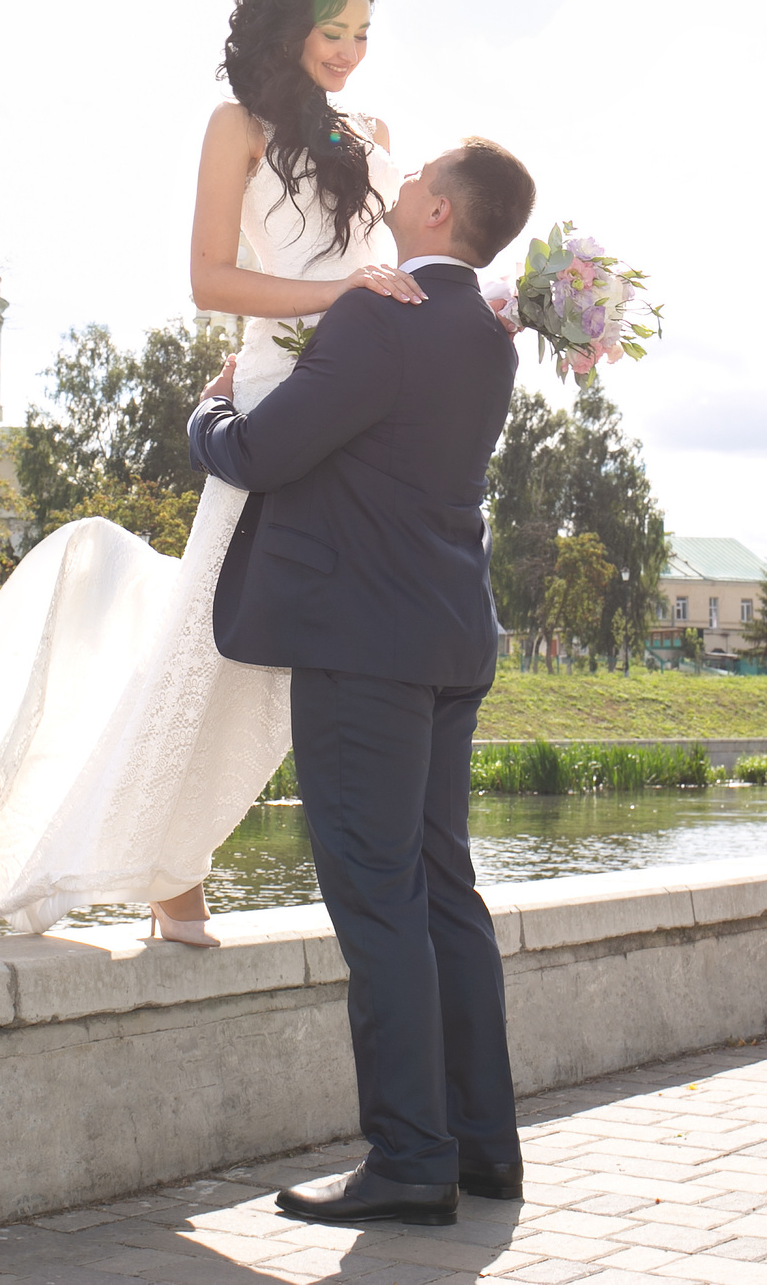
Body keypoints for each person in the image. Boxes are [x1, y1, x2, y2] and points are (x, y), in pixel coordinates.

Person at [0, 0, 425, 940]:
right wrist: (330, 301)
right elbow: (209, 279)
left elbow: (399, 269)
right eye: (332, 31)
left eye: (364, 34)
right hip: (279, 400)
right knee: (211, 639)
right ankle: (168, 875)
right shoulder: (234, 125)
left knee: (330, 644)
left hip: (361, 408)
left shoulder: (373, 130)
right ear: (289, 25)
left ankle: (306, 867)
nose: (349, 52)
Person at [189, 137, 540, 1228]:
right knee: (444, 892)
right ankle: (484, 1147)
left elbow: (259, 453)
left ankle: (406, 1161)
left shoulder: (380, 318)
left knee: (376, 899)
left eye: (419, 174)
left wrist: (207, 410)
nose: (403, 181)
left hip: (363, 650)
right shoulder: (489, 339)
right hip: (448, 643)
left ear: (438, 212)